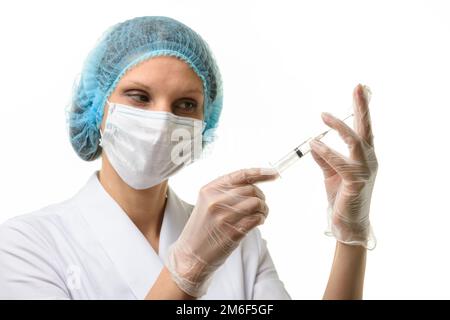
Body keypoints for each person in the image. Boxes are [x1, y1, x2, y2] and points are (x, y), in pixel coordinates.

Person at [0, 16, 378, 300]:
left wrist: (351, 235)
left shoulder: (238, 243)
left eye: (185, 104)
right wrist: (187, 270)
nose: (163, 119)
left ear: (203, 123)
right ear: (97, 108)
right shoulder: (26, 245)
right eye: (139, 96)